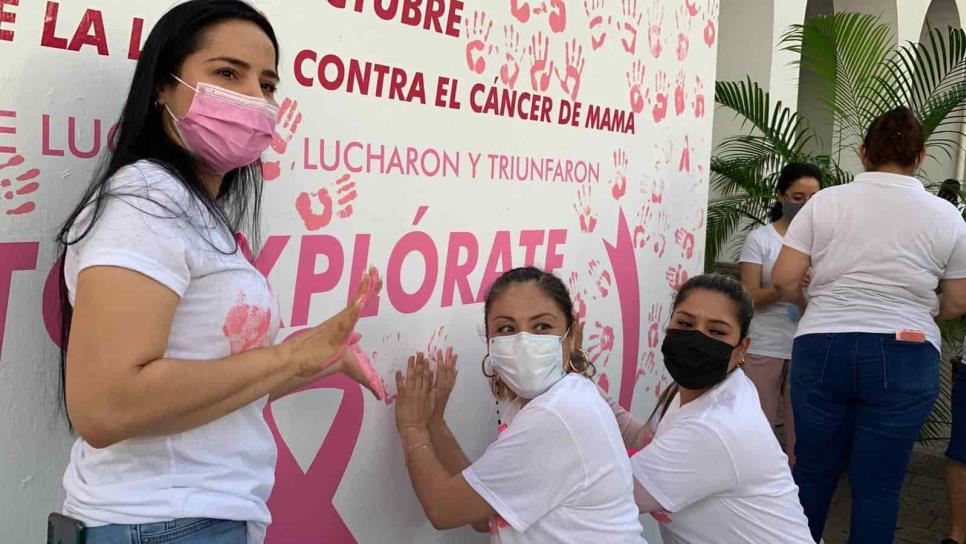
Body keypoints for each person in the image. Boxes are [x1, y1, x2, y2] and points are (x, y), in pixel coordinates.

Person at [55, 2, 382, 542]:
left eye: (268, 84)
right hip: (160, 523)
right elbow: (105, 406)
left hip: (199, 520)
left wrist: (319, 359)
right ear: (164, 86)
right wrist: (291, 356)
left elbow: (206, 392)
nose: (255, 99)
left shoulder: (196, 214)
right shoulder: (143, 201)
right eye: (228, 73)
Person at [772, 106, 966, 543]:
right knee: (879, 485)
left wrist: (811, 305)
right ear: (921, 157)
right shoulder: (946, 216)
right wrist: (918, 311)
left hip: (822, 344)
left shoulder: (824, 203)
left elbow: (783, 279)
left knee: (812, 474)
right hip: (907, 353)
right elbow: (957, 301)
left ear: (863, 153)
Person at [393, 266, 645, 543]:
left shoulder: (557, 414)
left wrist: (412, 426)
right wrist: (435, 423)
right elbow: (480, 514)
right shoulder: (536, 403)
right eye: (507, 329)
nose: (524, 342)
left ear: (571, 335)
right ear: (490, 342)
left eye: (542, 326)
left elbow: (444, 509)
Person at [602, 274, 814, 544]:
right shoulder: (701, 391)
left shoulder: (714, 425)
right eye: (685, 323)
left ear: (742, 348)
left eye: (716, 331)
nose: (696, 338)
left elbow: (602, 497)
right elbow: (641, 440)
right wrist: (573, 374)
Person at [739, 162, 823, 464]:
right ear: (781, 196)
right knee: (757, 420)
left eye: (814, 198)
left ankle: (795, 489)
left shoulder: (827, 241)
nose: (806, 205)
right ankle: (755, 479)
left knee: (802, 424)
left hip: (809, 343)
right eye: (798, 197)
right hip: (766, 343)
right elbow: (747, 296)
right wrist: (784, 285)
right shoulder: (760, 239)